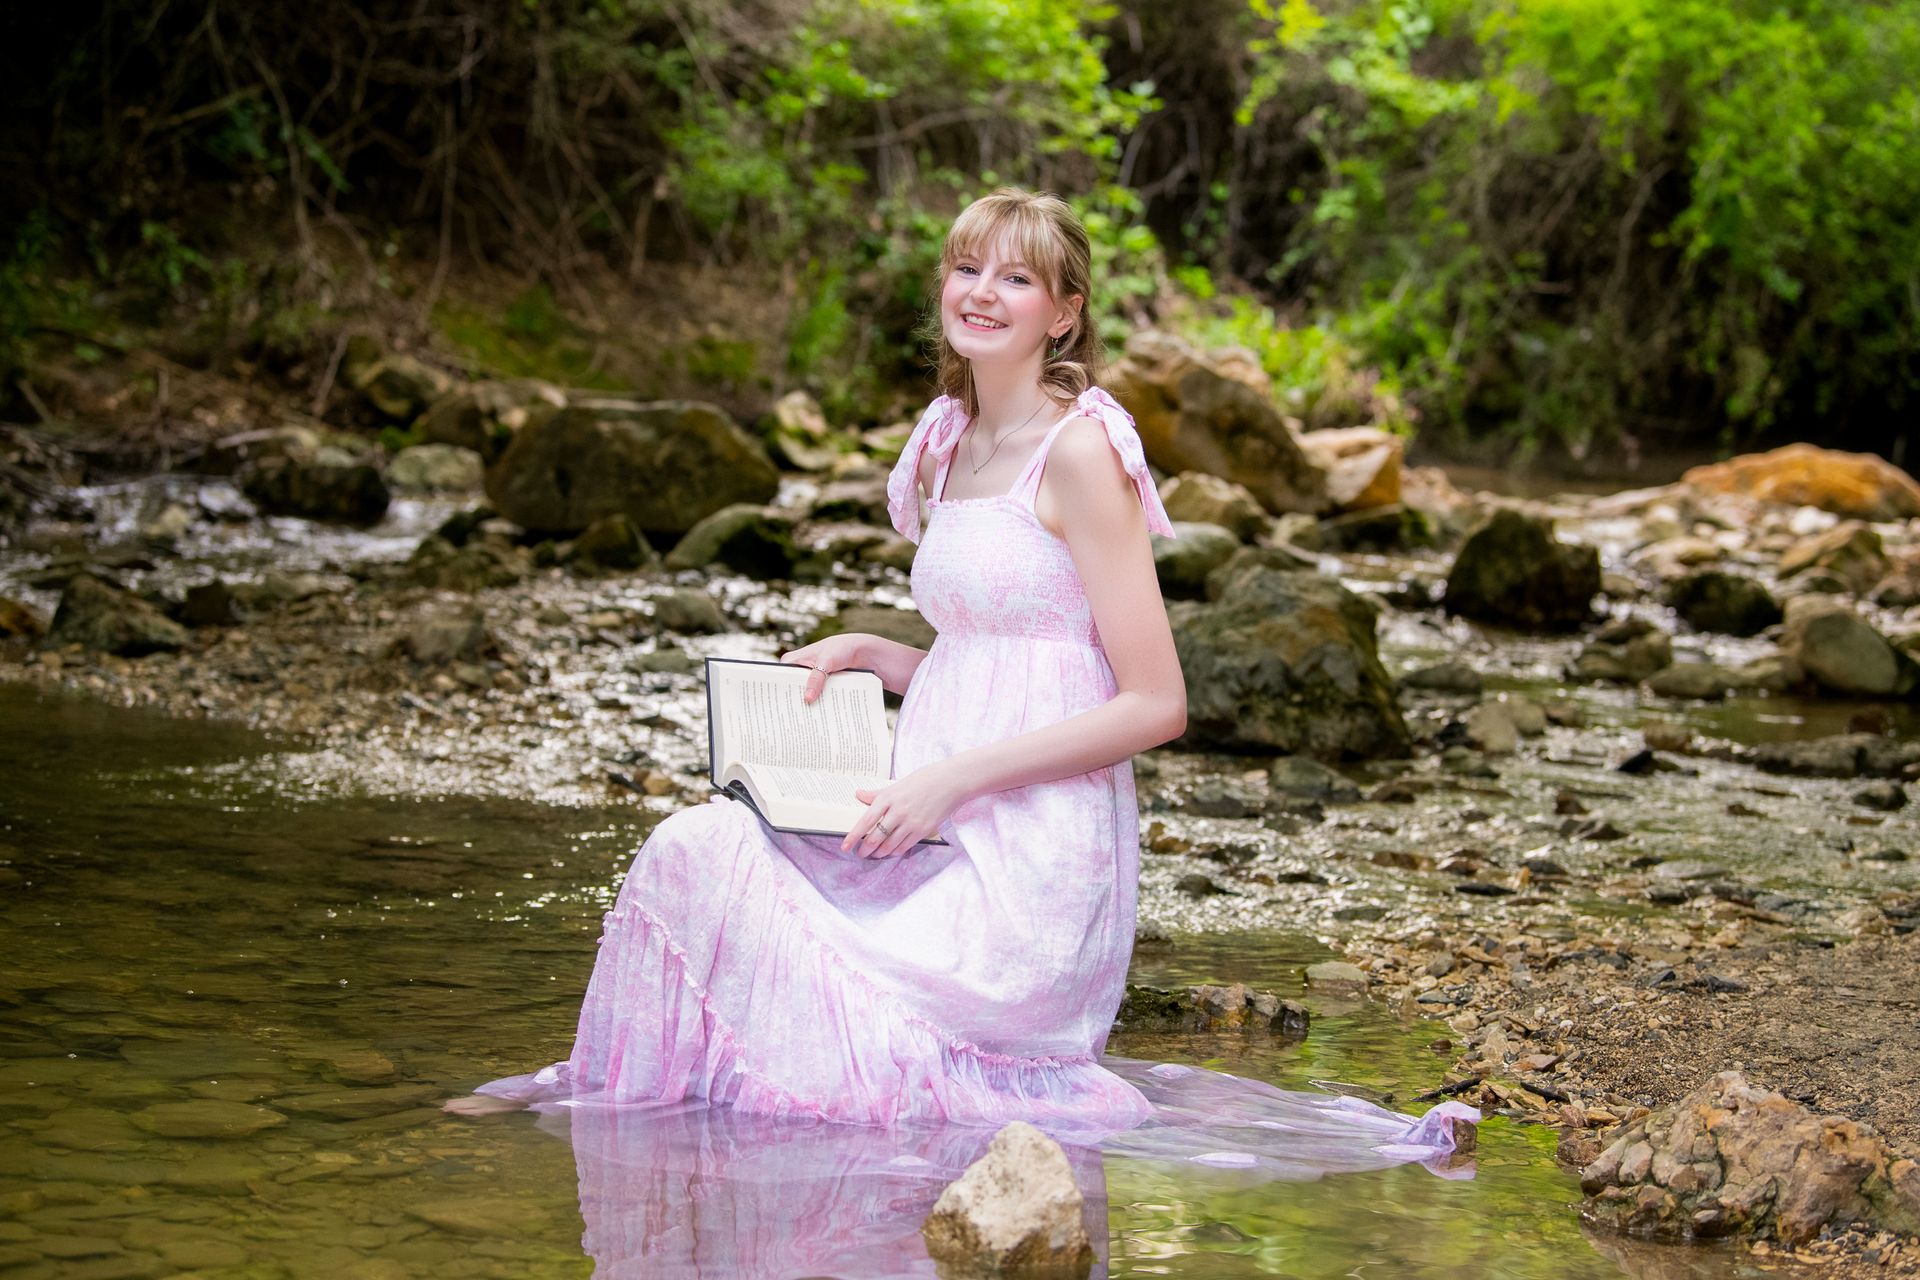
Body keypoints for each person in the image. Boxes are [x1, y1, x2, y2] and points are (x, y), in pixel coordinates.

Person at [447, 189, 1473, 1178]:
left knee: (752, 902)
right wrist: (874, 653)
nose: (981, 290)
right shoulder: (952, 438)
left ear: (1063, 313)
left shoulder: (1083, 452)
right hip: (930, 820)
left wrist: (954, 781)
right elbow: (1007, 648)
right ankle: (610, 1076)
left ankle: (647, 1090)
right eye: (966, 266)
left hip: (1026, 860)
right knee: (699, 841)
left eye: (1016, 276)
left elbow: (1156, 701)